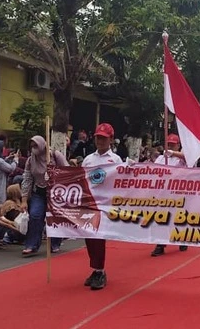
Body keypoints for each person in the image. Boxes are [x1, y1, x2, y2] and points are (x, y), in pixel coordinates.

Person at [80, 123, 123, 290]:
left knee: (98, 237)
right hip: (89, 201)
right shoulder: (89, 159)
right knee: (90, 238)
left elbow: (121, 180)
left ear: (111, 140)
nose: (100, 141)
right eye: (98, 137)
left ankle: (100, 270)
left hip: (105, 204)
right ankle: (96, 269)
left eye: (104, 138)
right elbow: (81, 178)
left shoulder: (116, 160)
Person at [21, 135, 68, 257]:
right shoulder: (31, 160)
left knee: (54, 218)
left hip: (55, 191)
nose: (33, 148)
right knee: (35, 216)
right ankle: (31, 245)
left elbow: (67, 171)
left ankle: (55, 243)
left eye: (36, 145)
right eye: (32, 146)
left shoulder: (55, 156)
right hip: (39, 191)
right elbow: (27, 179)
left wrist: (54, 173)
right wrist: (24, 200)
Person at [151, 133, 188, 257]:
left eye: (173, 144)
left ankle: (182, 238)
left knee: (178, 217)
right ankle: (160, 244)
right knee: (161, 218)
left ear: (178, 145)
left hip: (177, 193)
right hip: (162, 193)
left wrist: (173, 153)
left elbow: (188, 157)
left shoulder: (180, 159)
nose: (171, 146)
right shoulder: (161, 158)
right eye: (169, 144)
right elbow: (152, 170)